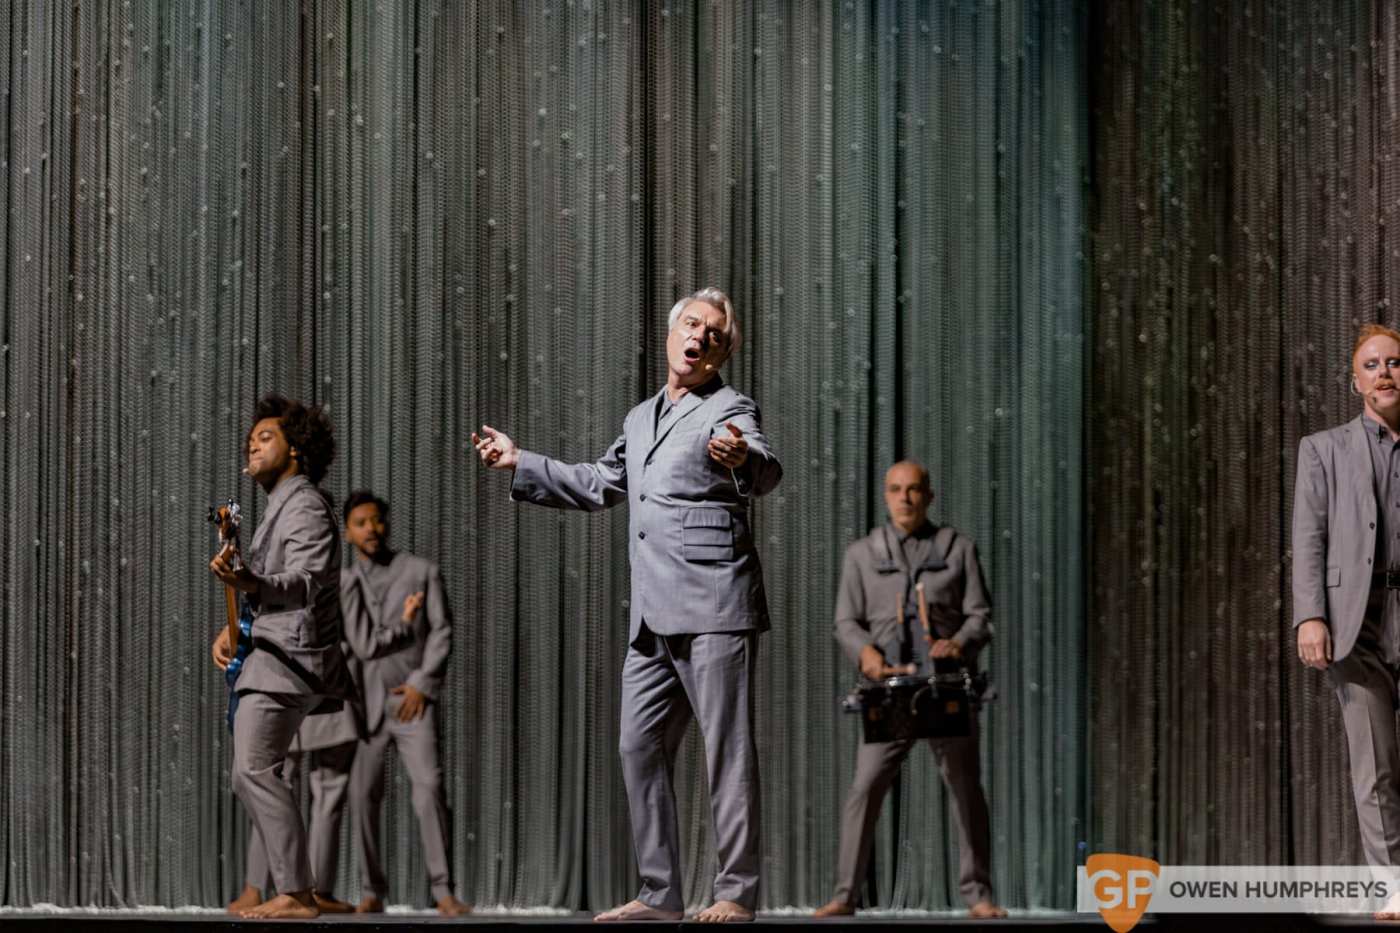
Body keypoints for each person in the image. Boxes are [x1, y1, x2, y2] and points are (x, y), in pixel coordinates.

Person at [472, 287, 782, 922]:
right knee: (638, 746)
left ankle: (736, 892)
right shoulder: (641, 418)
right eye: (691, 324)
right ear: (671, 334)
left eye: (714, 334)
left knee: (726, 750)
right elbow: (600, 483)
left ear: (721, 354)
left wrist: (743, 457)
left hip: (714, 601)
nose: (700, 337)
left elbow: (764, 463)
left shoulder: (729, 407)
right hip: (651, 613)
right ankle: (661, 894)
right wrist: (519, 461)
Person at [814, 461, 1005, 920]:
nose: (905, 498)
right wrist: (865, 652)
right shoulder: (862, 554)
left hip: (946, 687)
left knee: (965, 788)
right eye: (896, 489)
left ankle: (978, 894)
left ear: (929, 496)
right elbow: (845, 622)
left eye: (914, 489)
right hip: (890, 691)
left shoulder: (958, 548)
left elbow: (980, 616)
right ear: (886, 496)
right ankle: (845, 894)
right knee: (865, 787)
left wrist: (958, 643)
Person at [210, 394, 350, 920]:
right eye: (250, 439)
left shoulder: (304, 504)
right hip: (272, 656)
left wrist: (250, 581)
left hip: (289, 661)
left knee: (254, 769)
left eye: (265, 437)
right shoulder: (281, 506)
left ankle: (298, 893)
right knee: (250, 772)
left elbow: (306, 581)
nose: (252, 444)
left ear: (296, 449)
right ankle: (295, 889)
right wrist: (232, 631)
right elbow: (270, 589)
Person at [1294, 323, 1400, 921]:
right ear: (1355, 380)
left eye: (1394, 362)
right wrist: (1310, 615)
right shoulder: (1323, 449)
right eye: (1372, 364)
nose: (1384, 372)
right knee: (1375, 767)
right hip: (1357, 624)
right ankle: (1394, 886)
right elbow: (1309, 537)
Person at [340, 490, 470, 916]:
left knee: (429, 788)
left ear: (387, 523)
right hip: (364, 705)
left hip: (412, 702)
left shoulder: (420, 571)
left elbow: (441, 631)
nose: (371, 529)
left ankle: (443, 890)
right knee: (361, 795)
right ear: (347, 532)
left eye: (377, 520)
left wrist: (421, 684)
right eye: (361, 523)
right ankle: (371, 890)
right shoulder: (344, 581)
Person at [226, 703, 359, 914]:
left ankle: (257, 889)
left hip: (290, 704)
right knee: (322, 797)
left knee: (268, 794)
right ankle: (317, 892)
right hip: (330, 705)